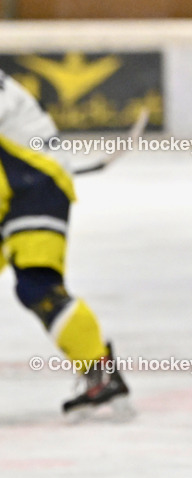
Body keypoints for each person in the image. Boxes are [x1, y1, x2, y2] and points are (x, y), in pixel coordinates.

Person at [0, 68, 130, 415]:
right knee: (35, 287)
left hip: (37, 184)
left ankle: (101, 375)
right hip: (15, 184)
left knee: (38, 286)